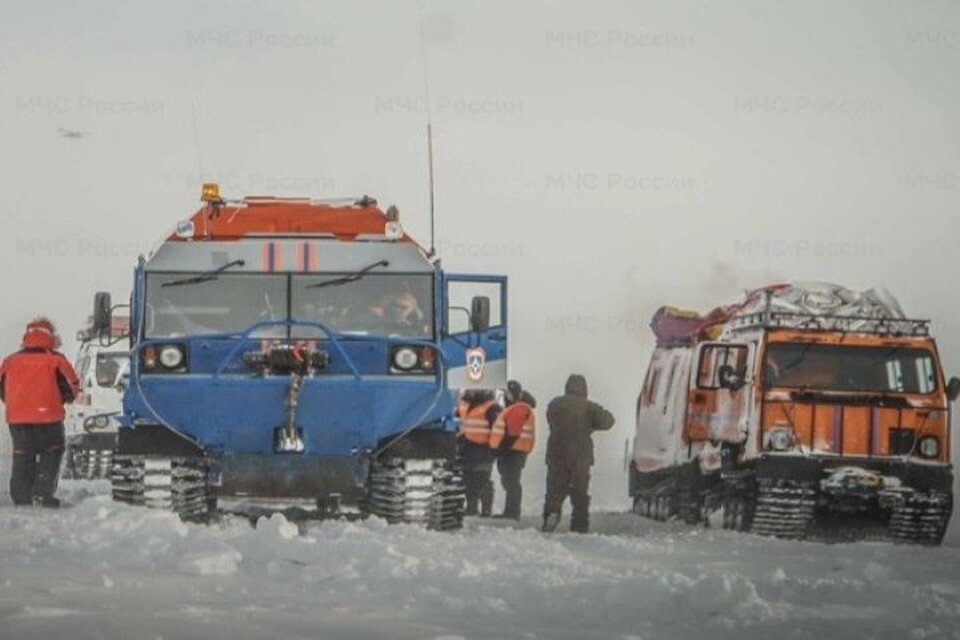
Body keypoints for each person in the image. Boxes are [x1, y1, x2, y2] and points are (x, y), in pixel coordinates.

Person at [0, 318, 80, 507]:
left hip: (18, 418)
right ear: (51, 337)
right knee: (51, 452)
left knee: (22, 453)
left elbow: (1, 388)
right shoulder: (56, 360)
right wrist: (64, 399)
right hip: (49, 416)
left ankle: (21, 496)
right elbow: (72, 386)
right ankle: (42, 494)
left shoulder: (11, 361)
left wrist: (15, 403)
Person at [542, 374, 615, 533]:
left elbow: (552, 420)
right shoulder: (589, 407)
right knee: (580, 493)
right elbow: (608, 421)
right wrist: (590, 426)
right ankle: (579, 526)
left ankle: (552, 514)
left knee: (554, 490)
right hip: (580, 456)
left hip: (556, 454)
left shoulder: (555, 404)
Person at [489, 380, 536, 520]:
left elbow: (513, 433)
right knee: (509, 481)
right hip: (513, 451)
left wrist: (501, 449)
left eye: (508, 393)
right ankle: (511, 511)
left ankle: (512, 512)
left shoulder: (519, 408)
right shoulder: (515, 408)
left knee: (511, 482)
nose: (506, 396)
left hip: (513, 451)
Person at [456, 389, 501, 517]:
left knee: (482, 479)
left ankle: (486, 509)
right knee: (468, 479)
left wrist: (494, 449)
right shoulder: (467, 406)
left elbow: (497, 429)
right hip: (467, 448)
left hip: (483, 448)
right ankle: (471, 507)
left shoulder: (492, 407)